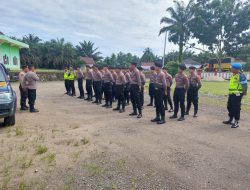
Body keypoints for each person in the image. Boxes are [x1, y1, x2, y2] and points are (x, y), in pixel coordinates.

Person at [223, 63, 248, 128]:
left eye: (232, 68)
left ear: (237, 69)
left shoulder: (241, 75)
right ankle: (230, 120)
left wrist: (243, 93)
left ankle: (236, 122)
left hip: (237, 94)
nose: (231, 69)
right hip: (231, 94)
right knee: (229, 107)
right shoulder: (233, 75)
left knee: (236, 108)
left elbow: (245, 85)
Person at [151, 60, 167, 124]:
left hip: (160, 91)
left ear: (159, 67)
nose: (154, 67)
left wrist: (165, 91)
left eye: (155, 66)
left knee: (160, 105)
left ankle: (163, 119)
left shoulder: (162, 74)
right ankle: (158, 117)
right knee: (157, 104)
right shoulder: (156, 73)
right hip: (156, 90)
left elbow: (164, 84)